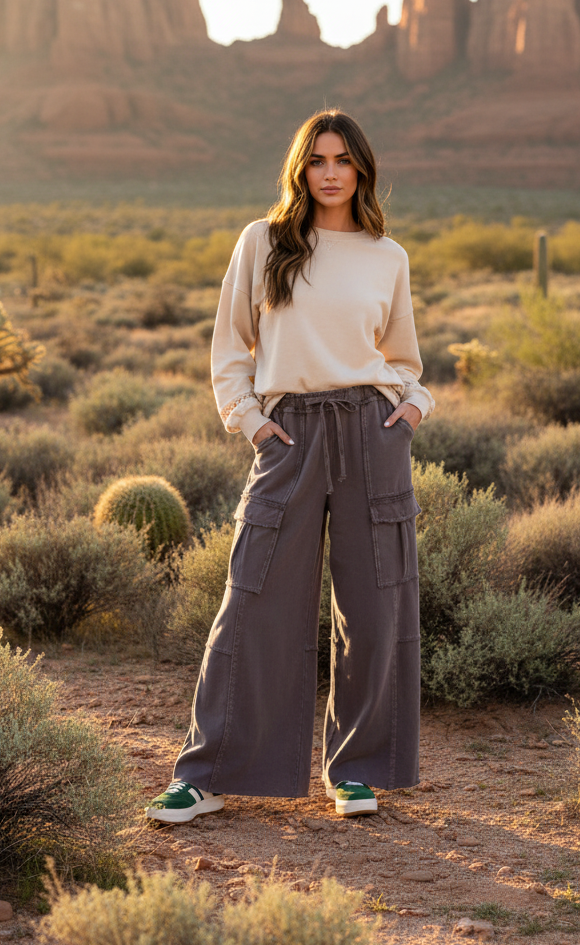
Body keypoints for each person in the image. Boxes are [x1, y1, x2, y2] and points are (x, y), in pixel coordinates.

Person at [145, 109, 434, 825]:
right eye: (317, 160)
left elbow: (402, 359)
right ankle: (206, 771)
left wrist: (413, 407)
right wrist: (252, 422)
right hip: (289, 433)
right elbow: (230, 349)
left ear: (361, 168)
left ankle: (357, 769)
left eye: (343, 159)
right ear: (299, 169)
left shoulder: (385, 255)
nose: (330, 171)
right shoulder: (264, 241)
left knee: (374, 608)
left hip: (372, 429)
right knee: (252, 597)